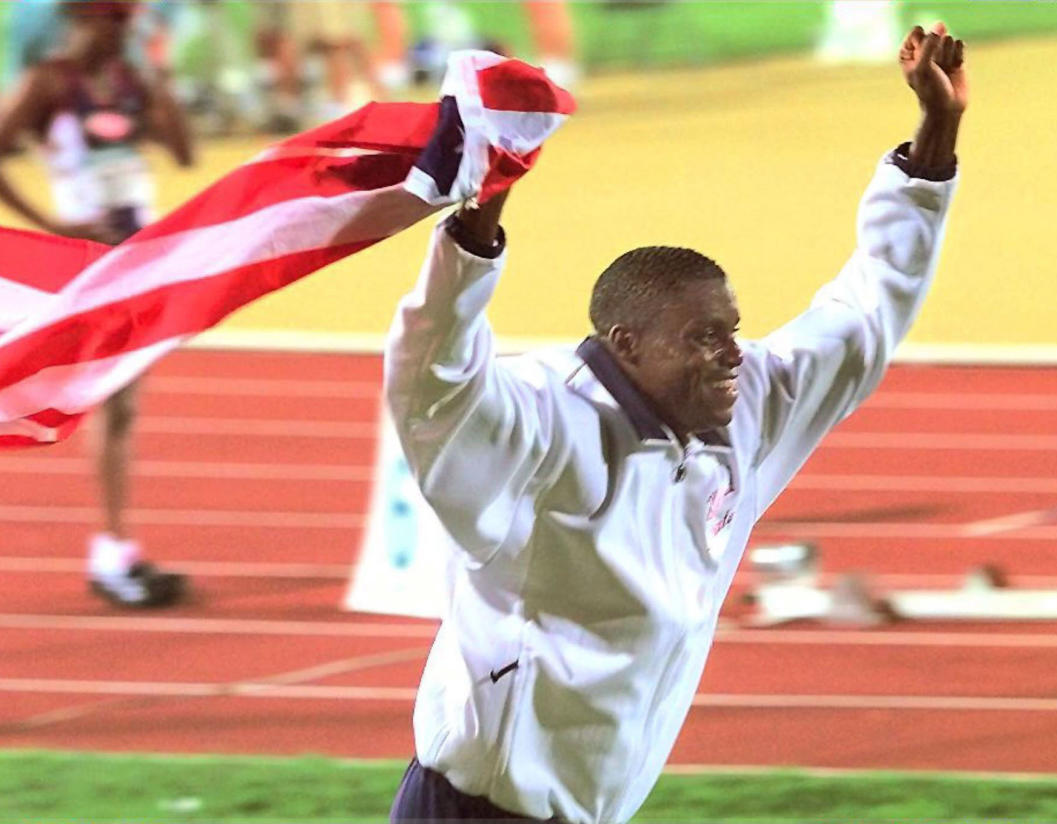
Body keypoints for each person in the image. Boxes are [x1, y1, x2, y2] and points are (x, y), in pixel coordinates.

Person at [385, 22, 966, 823]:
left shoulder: (743, 409)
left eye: (731, 328)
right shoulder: (545, 420)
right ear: (627, 344)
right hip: (477, 810)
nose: (733, 354)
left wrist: (936, 133)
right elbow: (436, 385)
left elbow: (867, 310)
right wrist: (478, 227)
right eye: (702, 336)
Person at [0, 0, 193, 608]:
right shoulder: (46, 84)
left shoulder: (128, 82)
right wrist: (54, 225)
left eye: (124, 21)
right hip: (91, 264)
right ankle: (112, 551)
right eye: (107, 20)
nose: (118, 31)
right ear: (77, 19)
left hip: (139, 257)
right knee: (114, 402)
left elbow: (184, 153)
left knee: (122, 406)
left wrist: (161, 87)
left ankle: (115, 549)